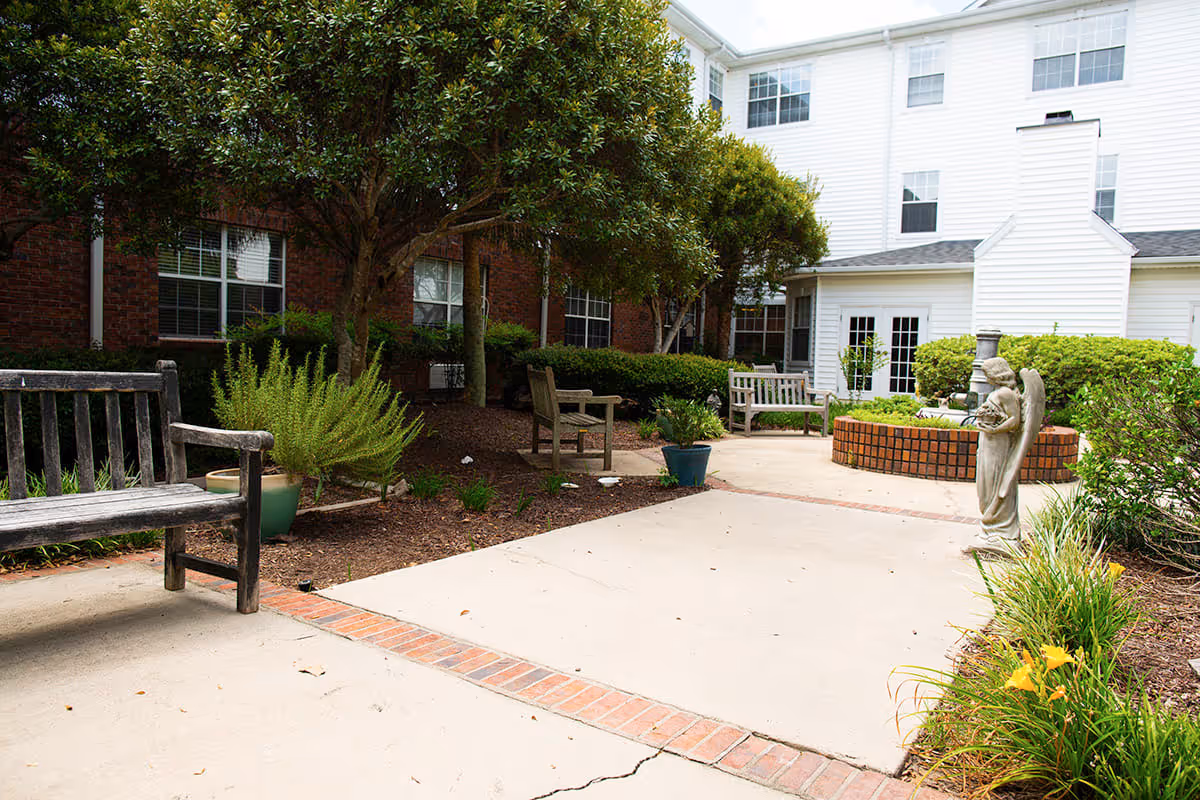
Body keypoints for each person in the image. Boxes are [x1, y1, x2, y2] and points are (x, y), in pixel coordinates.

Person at [973, 357, 1023, 547]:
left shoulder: (1005, 393)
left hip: (998, 445)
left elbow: (1014, 420)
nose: (985, 377)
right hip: (989, 442)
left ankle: (1000, 528)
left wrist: (994, 429)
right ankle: (992, 526)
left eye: (987, 373)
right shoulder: (998, 392)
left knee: (995, 483)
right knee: (986, 486)